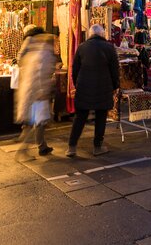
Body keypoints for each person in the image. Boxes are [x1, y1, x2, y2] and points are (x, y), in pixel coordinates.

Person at [66, 24, 119, 157]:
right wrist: (114, 86)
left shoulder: (82, 47)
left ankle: (72, 147)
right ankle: (97, 146)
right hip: (103, 86)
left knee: (80, 117)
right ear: (102, 34)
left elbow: (75, 68)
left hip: (84, 86)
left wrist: (77, 84)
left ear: (90, 34)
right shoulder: (109, 47)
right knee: (101, 117)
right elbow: (115, 70)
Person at [15, 25, 58, 158]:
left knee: (36, 121)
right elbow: (42, 72)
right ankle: (23, 150)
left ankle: (42, 146)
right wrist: (43, 91)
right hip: (38, 92)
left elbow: (22, 63)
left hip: (29, 90)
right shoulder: (44, 52)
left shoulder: (32, 49)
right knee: (38, 121)